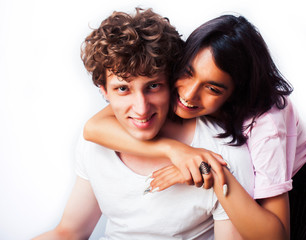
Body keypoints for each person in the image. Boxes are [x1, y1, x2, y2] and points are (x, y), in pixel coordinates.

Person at [84, 13, 306, 240]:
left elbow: (275, 236)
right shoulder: (160, 87)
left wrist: (211, 172)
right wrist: (176, 150)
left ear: (236, 91)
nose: (189, 95)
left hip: (302, 177)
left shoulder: (267, 124)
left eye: (212, 88)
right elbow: (93, 128)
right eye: (187, 73)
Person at [33, 8, 256, 240]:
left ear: (171, 81)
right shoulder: (95, 142)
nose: (141, 108)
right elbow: (69, 232)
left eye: (153, 86)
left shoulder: (221, 153)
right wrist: (172, 149)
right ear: (104, 91)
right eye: (123, 89)